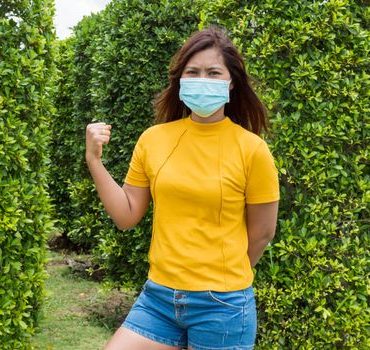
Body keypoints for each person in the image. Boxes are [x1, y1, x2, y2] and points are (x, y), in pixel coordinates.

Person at [85, 26, 279, 350]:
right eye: (193, 72)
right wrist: (94, 161)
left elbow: (262, 233)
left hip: (223, 305)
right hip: (159, 298)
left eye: (214, 72)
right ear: (180, 80)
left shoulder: (252, 150)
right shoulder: (154, 139)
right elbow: (127, 215)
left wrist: (218, 278)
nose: (202, 79)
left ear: (231, 82)